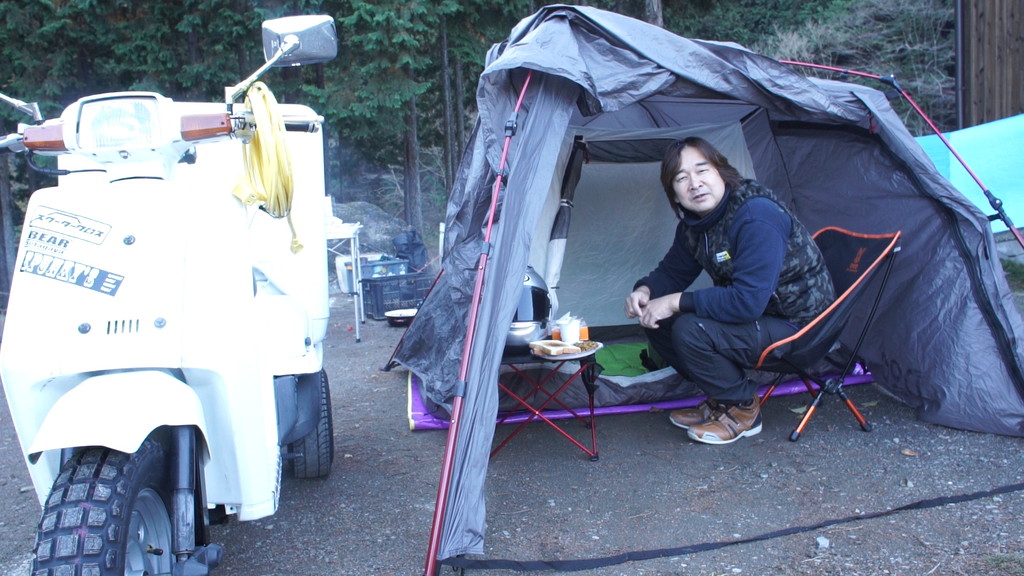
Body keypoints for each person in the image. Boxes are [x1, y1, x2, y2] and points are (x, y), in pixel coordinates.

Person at [624, 137, 835, 445]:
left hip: (801, 325)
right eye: (681, 179)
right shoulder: (696, 226)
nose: (694, 184)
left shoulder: (755, 215)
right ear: (675, 196)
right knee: (656, 317)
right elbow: (672, 271)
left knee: (688, 326)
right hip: (762, 316)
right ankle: (723, 396)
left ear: (721, 171)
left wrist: (675, 302)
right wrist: (646, 291)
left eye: (702, 171)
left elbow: (746, 302)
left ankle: (742, 407)